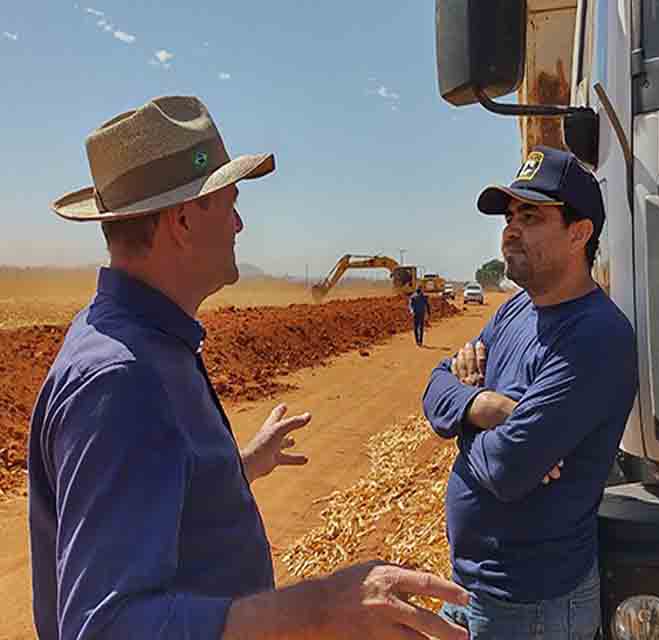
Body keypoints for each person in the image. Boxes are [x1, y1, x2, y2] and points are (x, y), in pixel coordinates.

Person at [28, 95, 468, 640]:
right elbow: (104, 627)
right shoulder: (121, 380)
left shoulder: (148, 344)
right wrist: (322, 607)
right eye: (230, 202)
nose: (239, 223)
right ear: (184, 221)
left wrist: (232, 471)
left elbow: (152, 485)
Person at [422, 146, 638, 639]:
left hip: (533, 610)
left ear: (579, 233)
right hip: (474, 591)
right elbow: (435, 385)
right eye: (509, 216)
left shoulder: (595, 336)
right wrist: (481, 406)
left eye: (531, 215)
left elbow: (507, 469)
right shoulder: (517, 311)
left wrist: (467, 423)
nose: (510, 229)